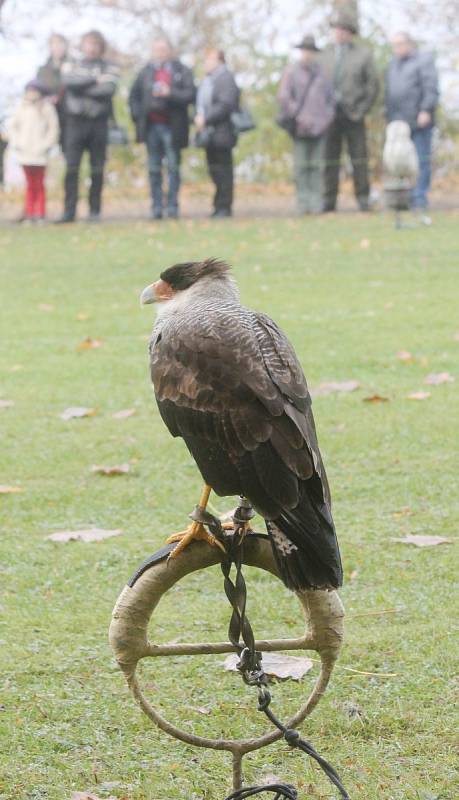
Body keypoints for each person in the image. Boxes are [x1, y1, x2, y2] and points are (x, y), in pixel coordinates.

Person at [129, 38, 196, 220]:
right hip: (151, 127)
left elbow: (191, 95)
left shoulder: (182, 71)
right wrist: (138, 117)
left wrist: (170, 93)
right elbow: (133, 97)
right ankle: (156, 207)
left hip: (173, 128)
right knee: (153, 168)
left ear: (170, 51)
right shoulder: (145, 72)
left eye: (163, 49)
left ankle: (172, 206)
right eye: (156, 49)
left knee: (174, 167)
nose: (160, 52)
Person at [57, 30, 119, 223]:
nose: (92, 48)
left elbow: (108, 90)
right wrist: (94, 80)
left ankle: (94, 211)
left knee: (97, 169)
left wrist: (82, 86)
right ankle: (69, 211)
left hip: (98, 124)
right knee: (72, 168)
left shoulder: (110, 66)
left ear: (101, 47)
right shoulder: (72, 63)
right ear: (83, 46)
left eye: (96, 44)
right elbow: (68, 82)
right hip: (75, 123)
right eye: (88, 44)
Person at [321, 12, 379, 212]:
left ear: (350, 33)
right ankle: (328, 201)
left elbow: (372, 86)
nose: (338, 33)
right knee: (329, 160)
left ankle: (363, 198)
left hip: (354, 115)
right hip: (329, 117)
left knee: (359, 159)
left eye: (342, 30)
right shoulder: (325, 54)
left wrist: (361, 110)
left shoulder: (363, 55)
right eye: (336, 29)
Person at [278, 35, 335, 215]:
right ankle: (303, 203)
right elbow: (284, 97)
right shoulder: (291, 72)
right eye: (305, 51)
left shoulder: (322, 73)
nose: (307, 54)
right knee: (301, 166)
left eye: (310, 51)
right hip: (300, 128)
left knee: (317, 166)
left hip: (320, 128)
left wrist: (325, 120)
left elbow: (330, 100)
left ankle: (316, 201)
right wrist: (299, 116)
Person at [385, 32, 439, 211]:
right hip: (399, 123)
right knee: (399, 162)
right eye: (394, 45)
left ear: (409, 43)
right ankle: (403, 198)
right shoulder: (393, 64)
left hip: (419, 120)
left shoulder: (423, 61)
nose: (397, 48)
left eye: (400, 44)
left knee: (421, 159)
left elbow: (431, 88)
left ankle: (420, 197)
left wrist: (425, 109)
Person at [195, 49, 240, 218]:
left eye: (209, 60)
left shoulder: (225, 78)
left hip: (223, 132)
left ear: (219, 61)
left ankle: (224, 206)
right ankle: (218, 205)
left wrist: (206, 118)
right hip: (209, 134)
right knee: (214, 170)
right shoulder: (208, 81)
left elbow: (226, 104)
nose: (206, 63)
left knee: (224, 171)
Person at [7, 80, 59, 222]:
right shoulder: (21, 107)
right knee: (30, 184)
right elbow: (13, 127)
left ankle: (40, 213)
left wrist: (45, 145)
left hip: (40, 153)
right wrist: (18, 143)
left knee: (39, 184)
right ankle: (30, 213)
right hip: (25, 153)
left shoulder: (46, 108)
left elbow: (53, 129)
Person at [36, 33, 68, 145]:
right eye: (54, 44)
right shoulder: (43, 70)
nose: (57, 47)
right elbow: (38, 90)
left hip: (69, 114)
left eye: (60, 44)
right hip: (49, 112)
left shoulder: (74, 66)